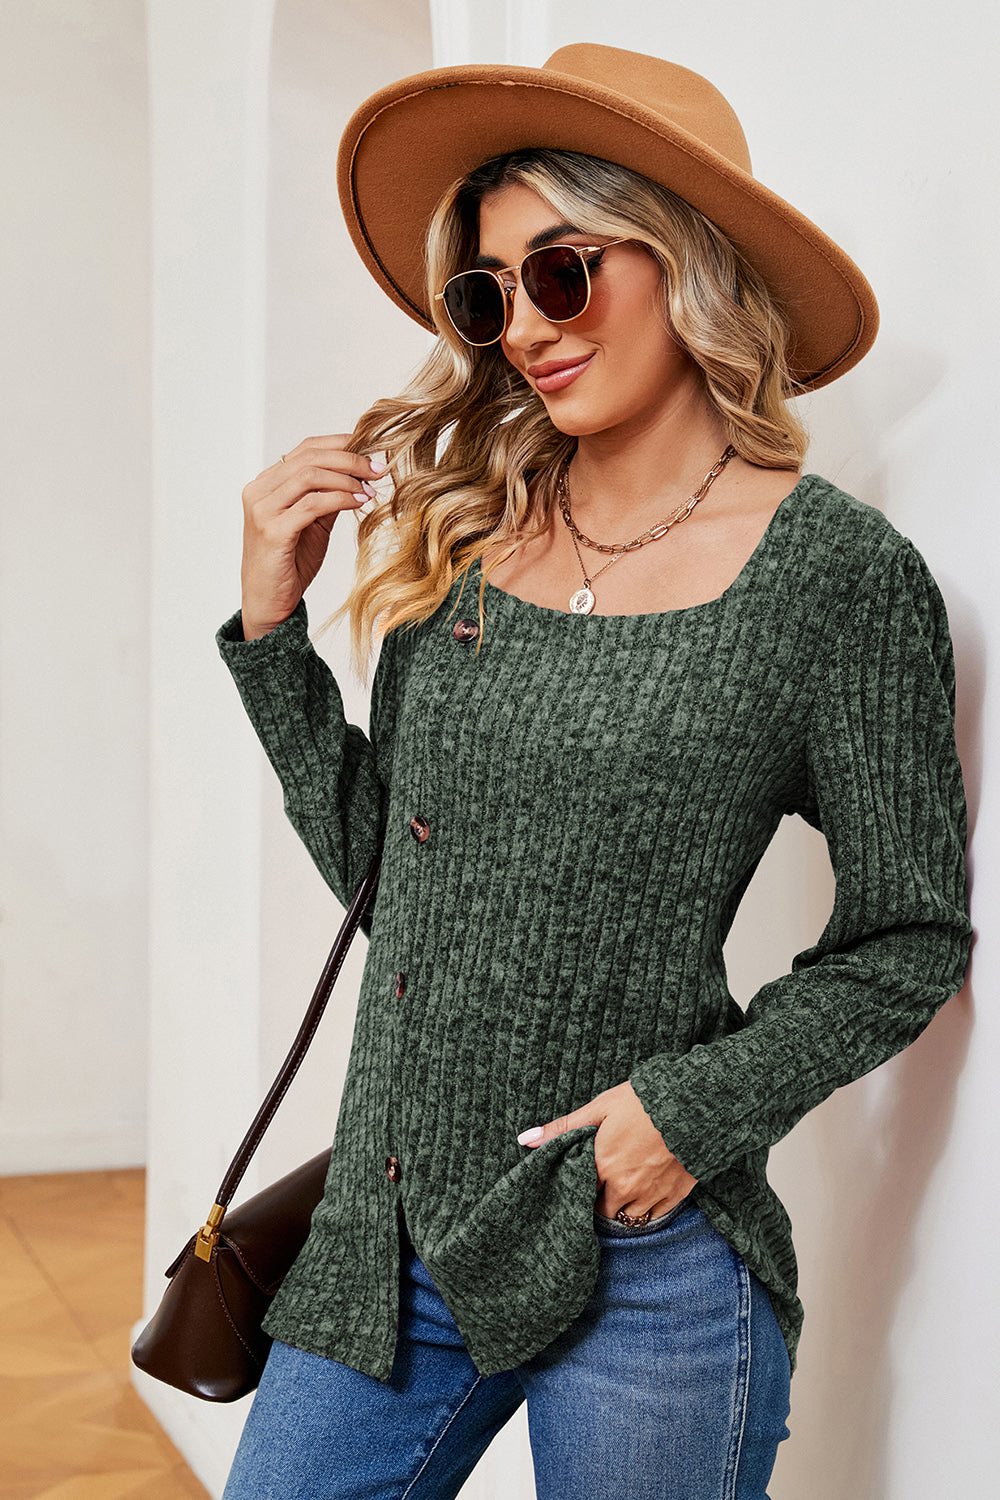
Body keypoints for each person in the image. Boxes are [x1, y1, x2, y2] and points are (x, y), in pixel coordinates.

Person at [218, 44, 972, 1500]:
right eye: (485, 295)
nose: (523, 330)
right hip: (392, 1235)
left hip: (650, 1255)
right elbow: (397, 882)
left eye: (560, 274)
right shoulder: (464, 542)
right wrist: (270, 634)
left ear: (684, 261)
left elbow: (908, 936)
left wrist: (691, 1112)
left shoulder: (835, 579)